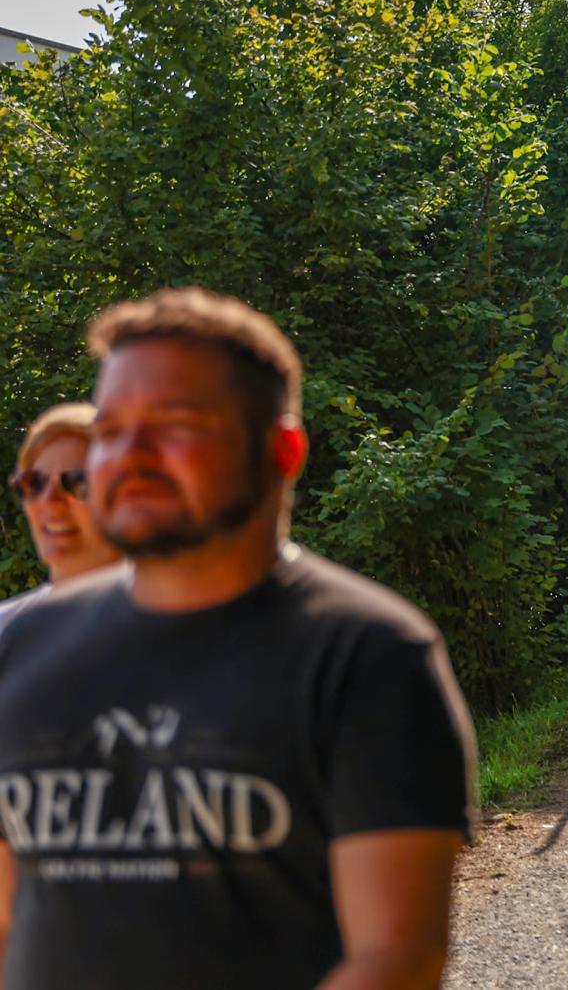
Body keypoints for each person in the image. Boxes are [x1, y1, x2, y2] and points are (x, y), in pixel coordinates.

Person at [0, 288, 476, 989]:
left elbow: (397, 958)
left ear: (282, 449)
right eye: (111, 430)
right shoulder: (22, 646)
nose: (131, 455)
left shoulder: (368, 654)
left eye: (176, 423)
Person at [0, 404, 124, 635]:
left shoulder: (172, 630)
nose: (49, 501)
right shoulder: (9, 631)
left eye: (78, 482)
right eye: (34, 482)